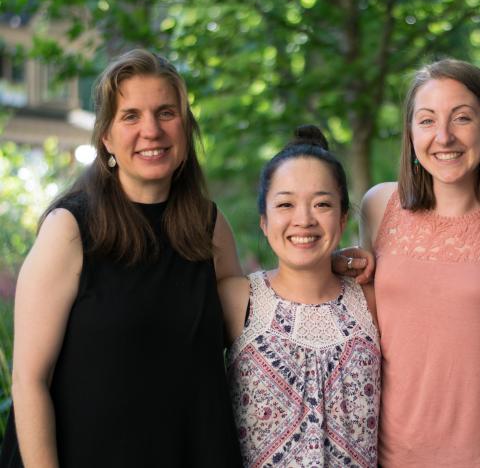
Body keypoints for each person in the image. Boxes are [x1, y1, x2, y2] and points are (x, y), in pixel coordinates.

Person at [5, 50, 241, 467]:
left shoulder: (209, 227)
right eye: (130, 116)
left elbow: (257, 315)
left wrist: (333, 267)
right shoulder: (70, 229)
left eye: (166, 113)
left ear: (184, 129)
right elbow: (28, 382)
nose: (151, 130)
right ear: (107, 138)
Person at [359, 59, 480, 467]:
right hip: (381, 455)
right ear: (411, 133)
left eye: (462, 118)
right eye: (427, 121)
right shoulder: (379, 207)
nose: (443, 136)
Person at [219, 125, 381, 467]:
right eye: (285, 204)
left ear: (343, 218)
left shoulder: (371, 301)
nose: (304, 219)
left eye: (322, 204)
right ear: (264, 220)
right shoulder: (238, 300)